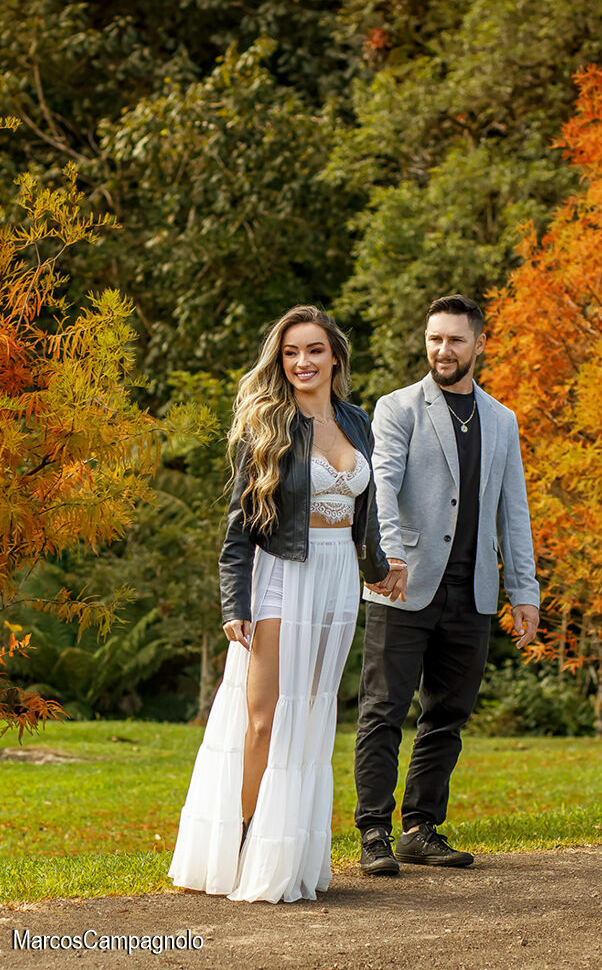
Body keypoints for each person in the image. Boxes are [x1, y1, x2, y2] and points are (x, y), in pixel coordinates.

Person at [168, 306, 397, 902]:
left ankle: (290, 853)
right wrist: (232, 604)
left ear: (335, 357)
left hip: (339, 583)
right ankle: (242, 845)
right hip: (280, 577)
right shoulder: (266, 426)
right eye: (291, 352)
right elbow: (239, 528)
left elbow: (361, 519)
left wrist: (379, 570)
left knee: (315, 721)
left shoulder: (358, 422)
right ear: (280, 359)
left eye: (314, 351)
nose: (302, 362)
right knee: (264, 719)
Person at [353, 293, 540, 875]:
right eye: (435, 338)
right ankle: (375, 833)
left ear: (479, 344)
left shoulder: (502, 420)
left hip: (473, 591)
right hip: (403, 586)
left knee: (447, 715)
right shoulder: (397, 408)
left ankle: (420, 827)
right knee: (383, 709)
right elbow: (381, 483)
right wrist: (388, 558)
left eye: (455, 339)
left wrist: (525, 592)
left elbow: (514, 510)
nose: (443, 350)